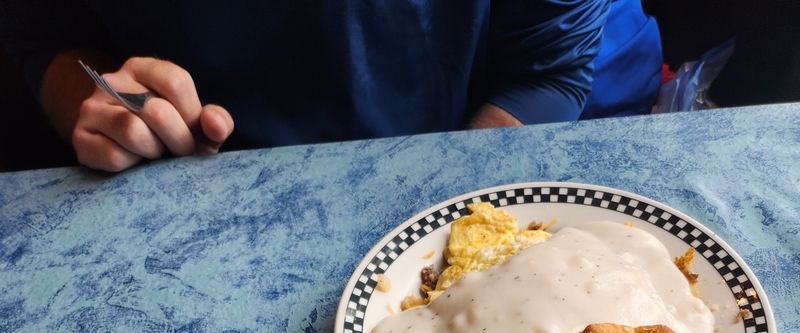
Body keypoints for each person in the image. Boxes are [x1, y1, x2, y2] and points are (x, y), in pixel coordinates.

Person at [0, 1, 659, 173]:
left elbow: (545, 71)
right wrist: (96, 106)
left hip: (450, 141)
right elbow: (46, 40)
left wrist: (448, 208)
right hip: (192, 171)